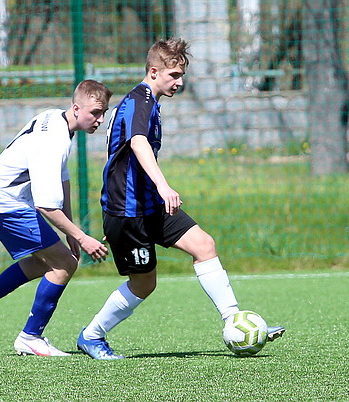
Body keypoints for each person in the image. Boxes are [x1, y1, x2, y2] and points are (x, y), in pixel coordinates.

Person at [76, 38, 285, 360]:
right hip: (130, 211)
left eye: (181, 75)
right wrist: (161, 187)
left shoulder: (145, 102)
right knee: (144, 284)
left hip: (147, 206)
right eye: (173, 75)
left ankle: (235, 322)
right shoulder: (139, 101)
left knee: (204, 245)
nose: (180, 82)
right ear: (153, 72)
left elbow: (116, 156)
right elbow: (137, 143)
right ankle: (91, 336)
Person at [0, 80, 112, 356]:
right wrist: (82, 238)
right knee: (65, 264)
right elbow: (46, 206)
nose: (100, 119)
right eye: (95, 112)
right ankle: (30, 337)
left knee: (42, 263)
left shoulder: (56, 118)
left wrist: (71, 232)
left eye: (103, 112)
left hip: (2, 196)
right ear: (76, 108)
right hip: (4, 201)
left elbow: (62, 180)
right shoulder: (54, 141)